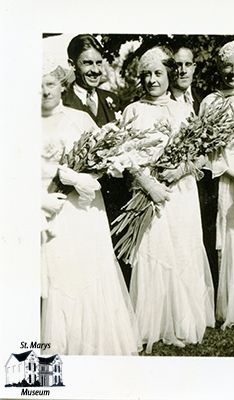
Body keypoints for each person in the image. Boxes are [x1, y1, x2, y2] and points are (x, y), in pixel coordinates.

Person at [41, 63, 141, 355]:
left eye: (50, 83)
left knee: (88, 271)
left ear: (62, 85)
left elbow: (107, 158)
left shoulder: (80, 118)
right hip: (53, 207)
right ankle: (64, 345)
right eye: (39, 85)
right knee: (61, 275)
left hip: (84, 208)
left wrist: (82, 179)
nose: (45, 90)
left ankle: (97, 343)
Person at [122, 47, 215, 354]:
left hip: (181, 192)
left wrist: (181, 170)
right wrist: (148, 183)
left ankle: (181, 321)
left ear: (168, 74)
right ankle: (154, 323)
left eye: (157, 73)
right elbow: (124, 155)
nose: (151, 80)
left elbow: (202, 155)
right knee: (155, 250)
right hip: (150, 194)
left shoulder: (182, 110)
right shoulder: (133, 110)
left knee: (182, 248)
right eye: (146, 74)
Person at [62, 33, 132, 288]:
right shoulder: (61, 101)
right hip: (75, 194)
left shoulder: (109, 99)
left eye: (98, 63)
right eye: (86, 63)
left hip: (111, 195)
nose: (94, 70)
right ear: (72, 65)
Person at [199, 41, 234, 331]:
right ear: (219, 68)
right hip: (226, 176)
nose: (233, 71)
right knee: (229, 237)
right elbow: (208, 152)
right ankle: (229, 308)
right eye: (227, 65)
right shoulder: (210, 101)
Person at [170, 45, 219, 297]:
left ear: (194, 67)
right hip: (176, 182)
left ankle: (203, 297)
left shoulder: (204, 101)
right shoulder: (163, 101)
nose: (182, 70)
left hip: (202, 181)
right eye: (177, 65)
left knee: (203, 238)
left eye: (187, 64)